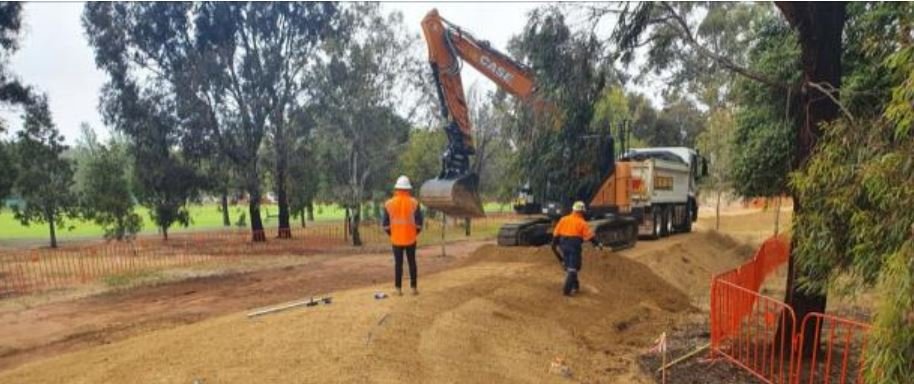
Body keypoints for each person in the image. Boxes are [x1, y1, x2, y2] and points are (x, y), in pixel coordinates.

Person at [382, 175, 424, 296]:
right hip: (411, 239)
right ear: (408, 189)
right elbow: (419, 224)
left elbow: (385, 225)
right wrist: (413, 233)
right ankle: (413, 288)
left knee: (398, 264)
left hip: (396, 240)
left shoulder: (389, 204)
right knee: (412, 263)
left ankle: (398, 289)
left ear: (397, 189)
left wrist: (393, 234)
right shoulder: (414, 203)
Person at [551, 201, 602, 296]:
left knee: (569, 266)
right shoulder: (582, 223)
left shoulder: (563, 219)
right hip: (574, 246)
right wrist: (597, 244)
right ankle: (567, 290)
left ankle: (575, 285)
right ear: (582, 212)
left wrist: (554, 244)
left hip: (563, 245)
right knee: (574, 267)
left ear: (573, 210)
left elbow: (556, 233)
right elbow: (590, 236)